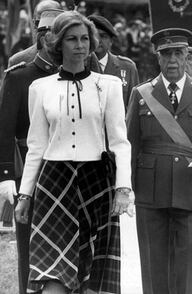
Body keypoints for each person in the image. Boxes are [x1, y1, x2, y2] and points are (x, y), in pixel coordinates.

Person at [14, 11, 132, 294]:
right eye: (72, 39)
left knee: (94, 277)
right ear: (58, 44)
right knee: (52, 275)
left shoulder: (109, 86)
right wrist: (25, 195)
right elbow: (36, 146)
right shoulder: (39, 88)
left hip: (97, 183)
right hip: (54, 183)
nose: (80, 45)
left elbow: (119, 142)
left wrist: (123, 188)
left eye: (84, 39)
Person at [126, 28, 192, 294]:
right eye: (166, 54)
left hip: (191, 188)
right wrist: (126, 188)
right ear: (157, 58)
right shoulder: (141, 93)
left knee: (189, 264)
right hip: (151, 191)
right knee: (154, 262)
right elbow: (130, 144)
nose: (172, 60)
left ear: (187, 56)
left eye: (178, 53)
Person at [0, 9, 63, 294]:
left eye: (56, 32)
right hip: (30, 168)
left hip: (70, 168)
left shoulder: (80, 73)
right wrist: (5, 176)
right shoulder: (19, 76)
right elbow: (5, 129)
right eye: (45, 31)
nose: (50, 38)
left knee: (67, 244)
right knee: (29, 244)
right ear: (38, 35)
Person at [87, 15, 139, 108]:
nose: (97, 40)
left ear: (111, 41)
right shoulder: (78, 66)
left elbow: (134, 107)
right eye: (93, 36)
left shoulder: (127, 67)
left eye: (103, 36)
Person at [7, 0, 62, 67]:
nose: (46, 30)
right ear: (34, 24)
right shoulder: (17, 61)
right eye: (39, 23)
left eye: (52, 23)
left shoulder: (75, 55)